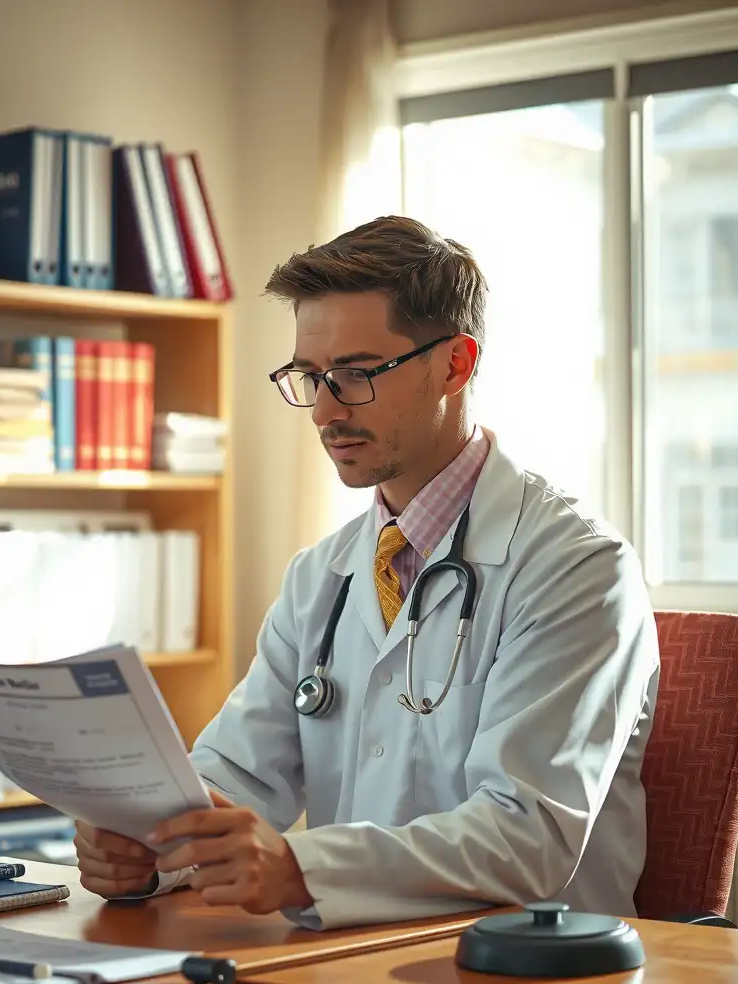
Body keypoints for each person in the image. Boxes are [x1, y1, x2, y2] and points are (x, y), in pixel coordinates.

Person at [74, 215, 660, 931]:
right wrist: (150, 847)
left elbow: (527, 839)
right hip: (350, 962)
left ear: (455, 364)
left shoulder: (577, 569)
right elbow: (236, 779)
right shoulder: (322, 575)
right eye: (310, 377)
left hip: (528, 979)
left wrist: (298, 869)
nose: (323, 410)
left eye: (354, 375)